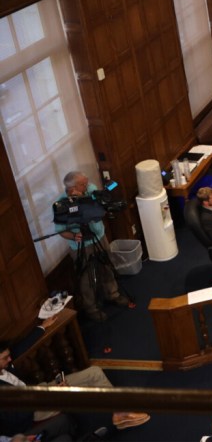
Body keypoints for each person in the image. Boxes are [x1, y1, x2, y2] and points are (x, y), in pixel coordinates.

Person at [0, 335, 149, 434]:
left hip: (40, 389)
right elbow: (12, 418)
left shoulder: (6, 366)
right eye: (5, 358)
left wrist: (42, 327)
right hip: (33, 410)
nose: (10, 359)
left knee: (94, 372)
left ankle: (119, 413)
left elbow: (20, 347)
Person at [53, 171, 130, 323]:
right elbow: (60, 230)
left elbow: (98, 205)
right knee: (86, 278)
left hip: (99, 236)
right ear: (73, 187)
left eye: (86, 182)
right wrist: (74, 236)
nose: (87, 185)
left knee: (106, 266)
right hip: (79, 244)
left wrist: (82, 197)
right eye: (83, 184)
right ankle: (92, 308)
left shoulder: (90, 188)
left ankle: (112, 294)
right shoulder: (61, 204)